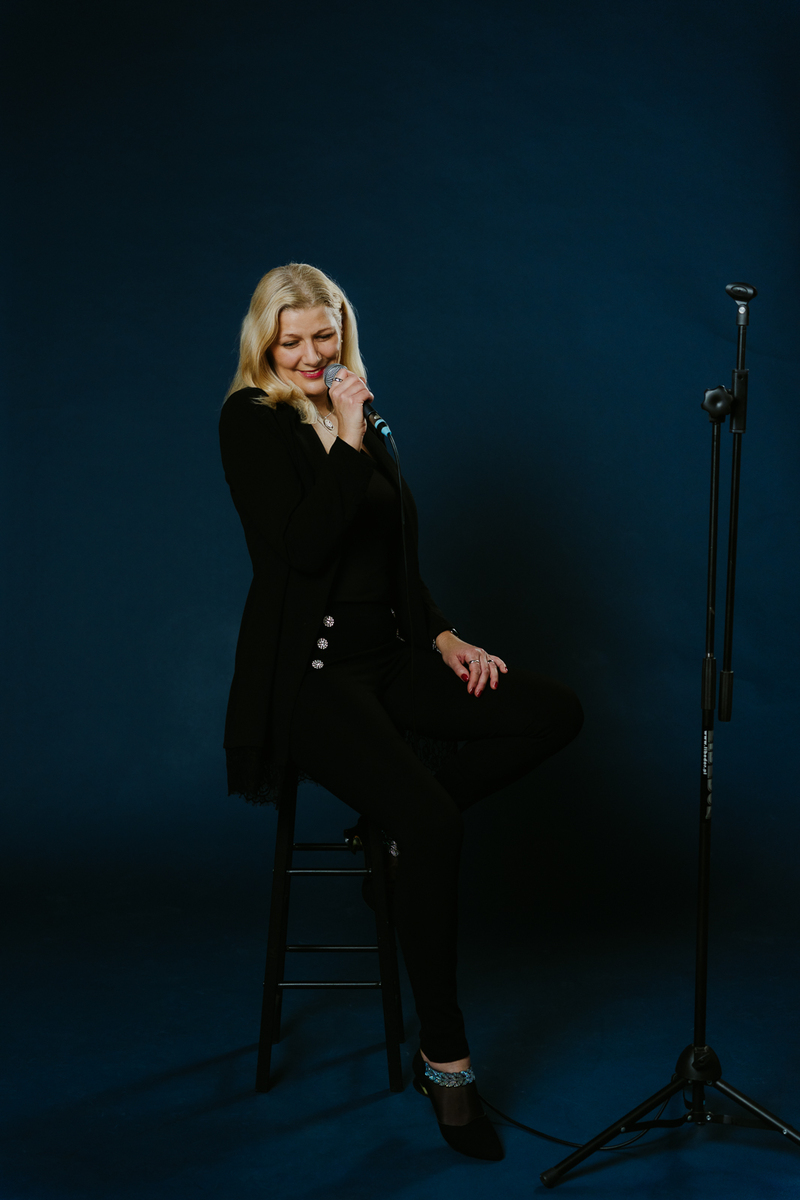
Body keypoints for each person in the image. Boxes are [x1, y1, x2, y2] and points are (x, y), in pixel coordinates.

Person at [219, 262, 583, 1161]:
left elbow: (392, 552)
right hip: (311, 680)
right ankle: (446, 1062)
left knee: (554, 712)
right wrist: (346, 435)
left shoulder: (362, 415)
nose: (312, 354)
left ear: (342, 328)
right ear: (266, 342)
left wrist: (444, 635)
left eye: (325, 334)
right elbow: (303, 552)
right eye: (292, 341)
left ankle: (389, 836)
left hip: (389, 658)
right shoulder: (252, 421)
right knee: (432, 824)